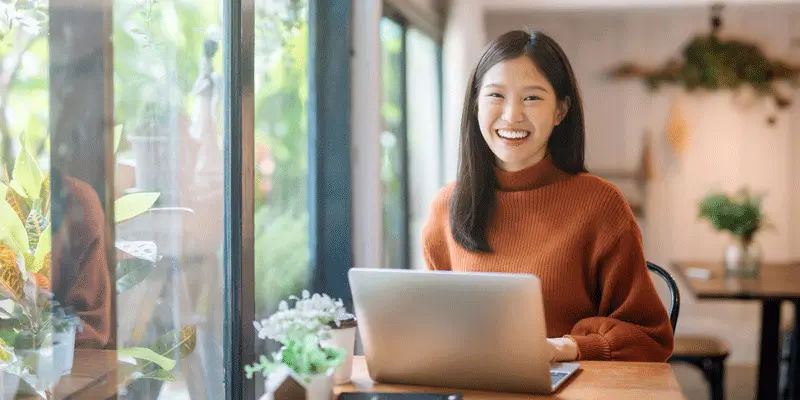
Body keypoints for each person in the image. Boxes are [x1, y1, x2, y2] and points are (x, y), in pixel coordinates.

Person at [422, 30, 673, 362]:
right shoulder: (447, 206)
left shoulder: (600, 205)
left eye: (532, 98)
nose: (512, 115)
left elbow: (651, 338)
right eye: (496, 95)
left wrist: (567, 348)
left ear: (560, 111)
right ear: (474, 106)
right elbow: (432, 325)